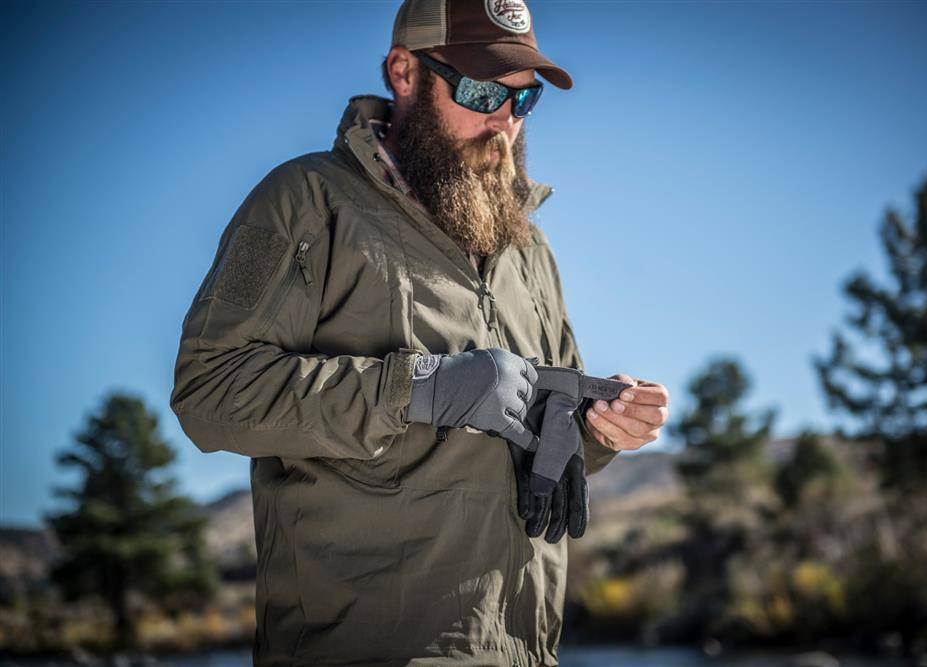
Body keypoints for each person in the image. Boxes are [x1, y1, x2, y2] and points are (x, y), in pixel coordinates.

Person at [170, 0, 669, 664]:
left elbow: (540, 434)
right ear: (404, 72)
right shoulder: (303, 202)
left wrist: (597, 429)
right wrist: (422, 387)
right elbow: (210, 391)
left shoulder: (531, 250)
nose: (505, 121)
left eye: (524, 100)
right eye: (483, 91)